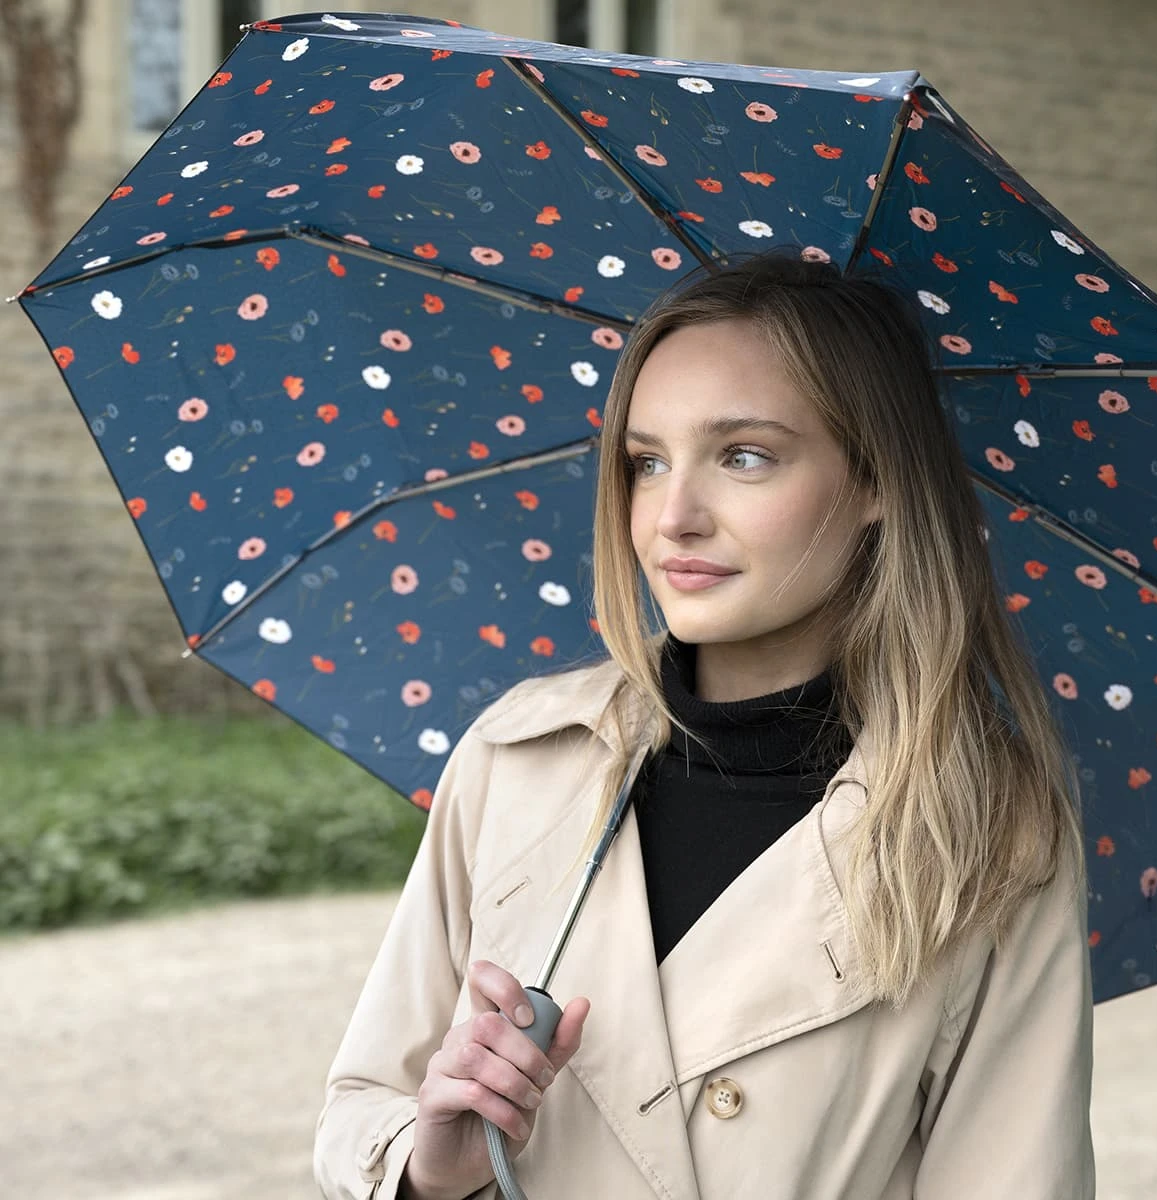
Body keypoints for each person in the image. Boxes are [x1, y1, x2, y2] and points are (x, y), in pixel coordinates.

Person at [313, 252, 1095, 1199]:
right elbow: (364, 1103)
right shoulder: (520, 756)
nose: (671, 516)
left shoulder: (987, 830)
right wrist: (431, 1169)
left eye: (744, 456)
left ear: (876, 482)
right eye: (646, 462)